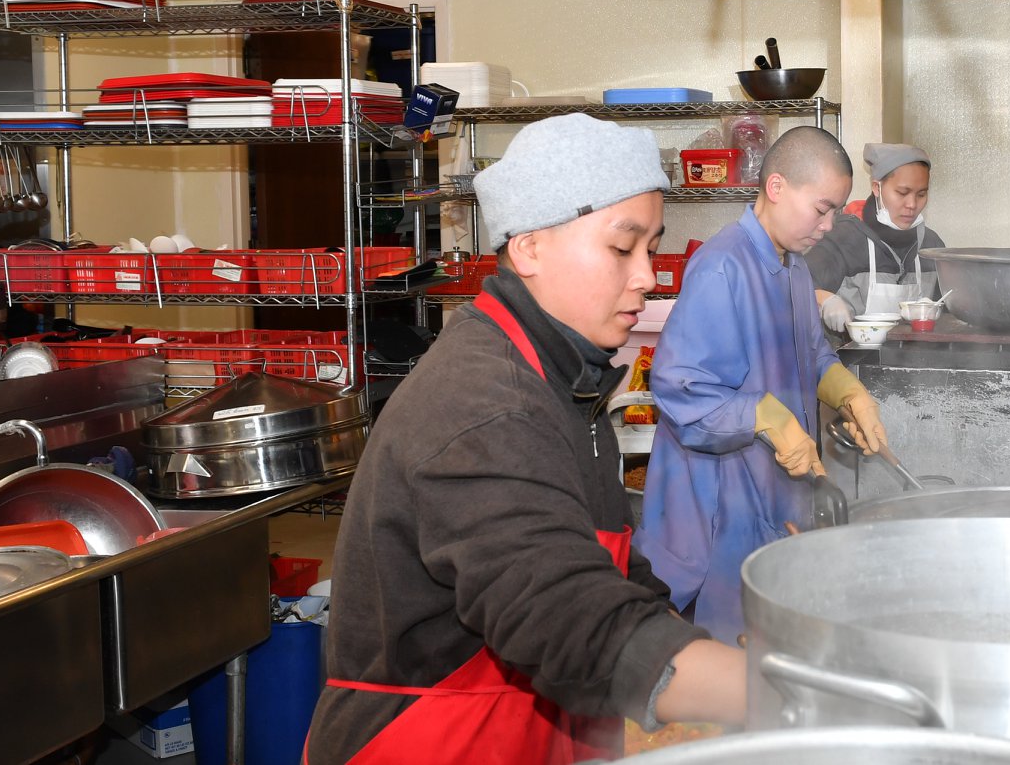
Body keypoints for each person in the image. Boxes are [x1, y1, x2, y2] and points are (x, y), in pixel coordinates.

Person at [306, 114, 747, 765]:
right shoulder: (484, 403)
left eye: (652, 249)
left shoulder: (562, 374)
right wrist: (771, 691)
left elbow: (602, 568)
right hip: (425, 741)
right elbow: (565, 615)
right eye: (622, 248)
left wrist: (687, 644)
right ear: (530, 247)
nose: (649, 277)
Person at [635, 126, 892, 641]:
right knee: (726, 653)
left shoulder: (794, 269)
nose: (828, 226)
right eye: (821, 209)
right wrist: (766, 416)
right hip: (718, 505)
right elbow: (681, 389)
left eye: (834, 212)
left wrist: (848, 392)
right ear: (776, 187)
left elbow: (810, 354)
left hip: (774, 493)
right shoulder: (722, 267)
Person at [806, 142, 945, 334]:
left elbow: (951, 305)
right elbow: (792, 286)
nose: (912, 204)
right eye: (902, 193)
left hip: (914, 351)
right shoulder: (844, 239)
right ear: (876, 188)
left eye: (921, 194)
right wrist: (823, 299)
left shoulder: (931, 245)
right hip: (848, 353)